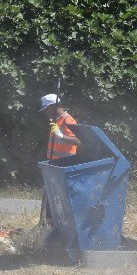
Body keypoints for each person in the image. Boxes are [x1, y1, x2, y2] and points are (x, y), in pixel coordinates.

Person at [38, 94, 81, 224]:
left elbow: (78, 141)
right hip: (55, 163)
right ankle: (48, 223)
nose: (45, 113)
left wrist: (61, 135)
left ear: (53, 106)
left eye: (47, 109)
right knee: (51, 195)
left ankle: (55, 223)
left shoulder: (68, 120)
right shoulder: (56, 121)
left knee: (60, 196)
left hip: (66, 163)